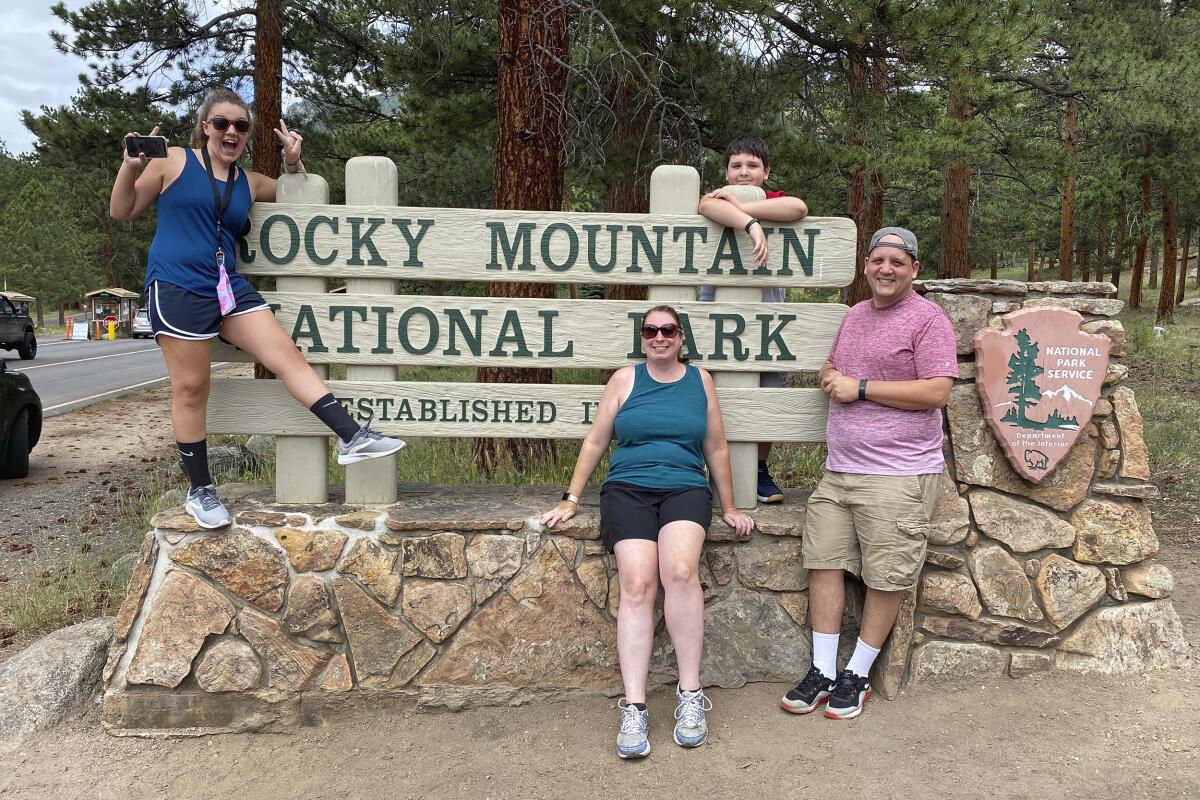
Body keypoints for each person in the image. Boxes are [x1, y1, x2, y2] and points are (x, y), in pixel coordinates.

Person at [110, 87, 406, 530]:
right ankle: (201, 490)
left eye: (241, 126)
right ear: (205, 127)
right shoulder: (171, 160)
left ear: (247, 134)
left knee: (285, 353)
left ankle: (351, 436)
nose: (231, 132)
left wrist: (291, 160)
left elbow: (293, 191)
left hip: (227, 286)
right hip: (176, 286)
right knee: (192, 388)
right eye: (222, 124)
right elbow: (123, 209)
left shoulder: (248, 182)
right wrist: (129, 166)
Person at [540, 305, 754, 759]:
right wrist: (570, 499)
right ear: (643, 338)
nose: (660, 337)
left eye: (668, 330)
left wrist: (730, 506)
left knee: (679, 572)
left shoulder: (701, 381)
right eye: (651, 330)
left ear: (681, 337)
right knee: (637, 584)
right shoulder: (624, 380)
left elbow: (715, 446)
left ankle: (690, 695)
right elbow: (596, 440)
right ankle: (634, 705)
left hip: (684, 488)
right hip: (628, 490)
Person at [781, 227, 957, 720]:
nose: (886, 269)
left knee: (886, 575)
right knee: (824, 563)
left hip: (898, 474)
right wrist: (829, 374)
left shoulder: (928, 321)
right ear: (867, 265)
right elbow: (835, 364)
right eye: (878, 260)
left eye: (897, 262)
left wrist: (859, 388)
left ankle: (857, 674)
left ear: (914, 269)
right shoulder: (856, 315)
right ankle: (823, 670)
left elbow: (936, 391)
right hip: (839, 470)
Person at [697, 134, 808, 504]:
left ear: (765, 172)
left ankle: (758, 470)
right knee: (709, 399)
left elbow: (798, 208)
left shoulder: (775, 200)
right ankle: (705, 471)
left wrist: (748, 214)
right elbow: (706, 208)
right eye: (736, 165)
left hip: (767, 324)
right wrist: (750, 227)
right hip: (714, 320)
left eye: (752, 166)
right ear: (726, 171)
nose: (744, 172)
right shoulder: (716, 198)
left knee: (767, 398)